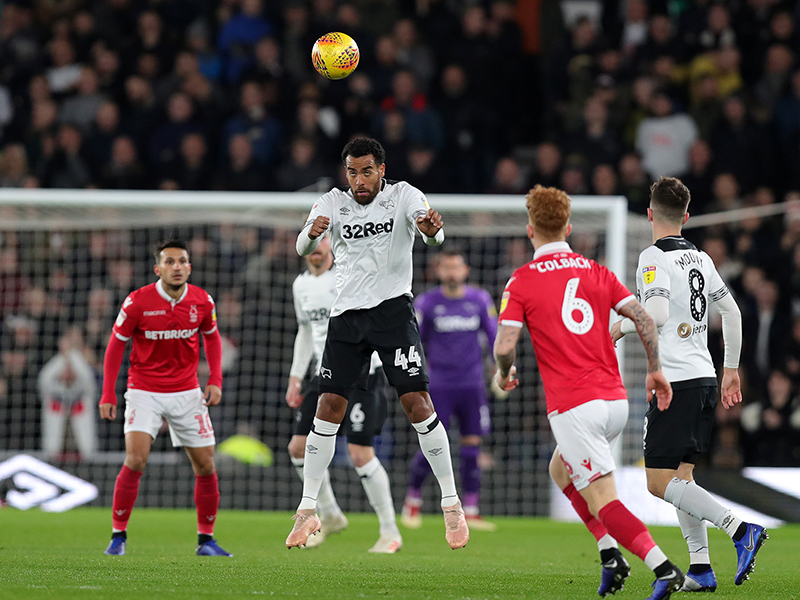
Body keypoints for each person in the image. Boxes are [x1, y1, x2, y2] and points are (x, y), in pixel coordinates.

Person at [493, 185, 684, 600]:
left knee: (604, 500)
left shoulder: (522, 279)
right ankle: (609, 554)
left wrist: (502, 373)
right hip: (614, 402)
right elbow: (645, 320)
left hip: (575, 407)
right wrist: (655, 371)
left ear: (530, 231)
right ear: (569, 227)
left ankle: (663, 568)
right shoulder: (597, 271)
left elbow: (505, 345)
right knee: (560, 470)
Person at [287, 137, 469, 550]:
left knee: (417, 404)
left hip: (391, 313)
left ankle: (451, 503)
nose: (359, 179)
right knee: (327, 408)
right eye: (352, 171)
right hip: (346, 317)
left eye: (366, 170)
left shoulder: (403, 195)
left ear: (381, 170)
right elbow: (302, 246)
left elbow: (432, 234)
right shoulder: (331, 202)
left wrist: (432, 231)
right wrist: (310, 234)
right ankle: (308, 509)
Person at [611, 176, 768, 590]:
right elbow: (731, 312)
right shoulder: (700, 257)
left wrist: (618, 326)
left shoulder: (652, 256)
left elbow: (657, 315)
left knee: (658, 482)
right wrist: (730, 368)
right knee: (683, 477)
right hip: (703, 378)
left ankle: (740, 530)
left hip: (675, 382)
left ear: (649, 214)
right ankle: (700, 567)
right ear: (686, 215)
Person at [99, 240, 231, 557]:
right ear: (158, 269)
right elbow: (115, 346)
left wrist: (214, 379)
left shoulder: (202, 301)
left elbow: (212, 339)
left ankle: (206, 540)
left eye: (182, 261)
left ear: (189, 267)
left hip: (187, 392)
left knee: (205, 464)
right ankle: (118, 537)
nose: (177, 267)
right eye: (169, 262)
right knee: (136, 459)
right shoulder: (137, 302)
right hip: (144, 390)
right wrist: (108, 392)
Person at [286, 234, 402, 553]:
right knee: (297, 448)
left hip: (363, 372)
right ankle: (331, 514)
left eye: (324, 242)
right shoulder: (301, 286)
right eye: (313, 244)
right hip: (323, 374)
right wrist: (296, 377)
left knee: (359, 453)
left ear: (333, 246)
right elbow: (306, 331)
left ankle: (390, 531)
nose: (318, 250)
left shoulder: (351, 277)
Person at [401, 246, 499, 531]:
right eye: (447, 267)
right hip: (439, 385)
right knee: (431, 445)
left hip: (472, 385)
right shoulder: (427, 303)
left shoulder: (479, 300)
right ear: (439, 270)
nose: (452, 272)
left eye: (457, 267)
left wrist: (499, 366)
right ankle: (413, 501)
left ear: (465, 270)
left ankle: (471, 510)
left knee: (472, 446)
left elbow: (493, 336)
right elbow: (415, 342)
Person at [38, 329, 98, 459]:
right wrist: (63, 358)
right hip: (57, 448)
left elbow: (89, 380)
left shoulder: (83, 380)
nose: (67, 373)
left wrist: (72, 355)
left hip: (81, 450)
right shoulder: (52, 371)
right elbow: (43, 381)